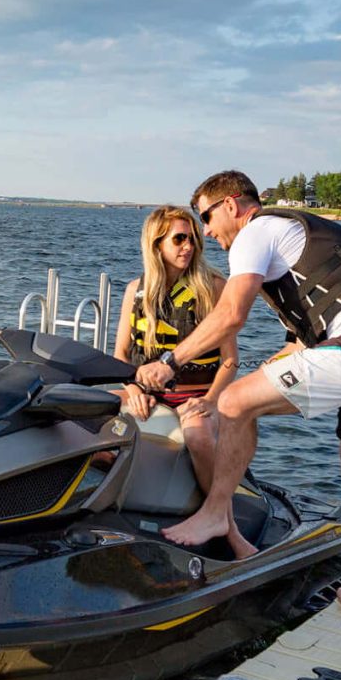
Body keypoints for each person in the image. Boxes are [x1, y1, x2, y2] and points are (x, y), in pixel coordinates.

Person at [135, 170, 341, 624]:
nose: (207, 231)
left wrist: (168, 363)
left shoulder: (256, 230)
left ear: (232, 204)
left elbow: (230, 315)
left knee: (232, 403)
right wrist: (260, 376)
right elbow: (299, 345)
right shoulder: (295, 236)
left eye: (207, 217)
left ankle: (213, 514)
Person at [113, 206, 239, 550]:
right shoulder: (135, 291)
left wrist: (210, 402)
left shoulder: (213, 288)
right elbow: (121, 356)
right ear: (156, 245)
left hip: (199, 395)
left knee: (197, 435)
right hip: (151, 393)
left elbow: (230, 361)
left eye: (193, 238)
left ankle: (229, 529)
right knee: (86, 412)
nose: (189, 246)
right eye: (179, 239)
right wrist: (132, 389)